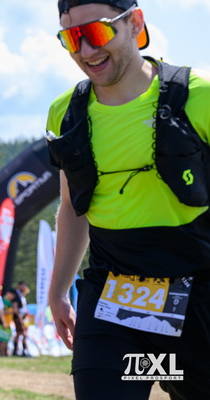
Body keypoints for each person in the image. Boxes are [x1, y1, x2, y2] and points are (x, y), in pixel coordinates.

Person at [46, 0, 210, 399]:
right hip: (114, 301)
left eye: (97, 32)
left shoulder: (199, 97)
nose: (86, 50)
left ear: (135, 22)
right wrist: (58, 291)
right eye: (72, 38)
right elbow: (72, 206)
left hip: (199, 301)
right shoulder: (65, 113)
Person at [9, 281, 30, 356]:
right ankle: (22, 351)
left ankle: (17, 351)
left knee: (20, 333)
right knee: (22, 333)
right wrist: (19, 317)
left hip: (22, 316)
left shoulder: (20, 295)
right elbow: (15, 307)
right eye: (22, 286)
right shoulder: (16, 295)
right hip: (18, 317)